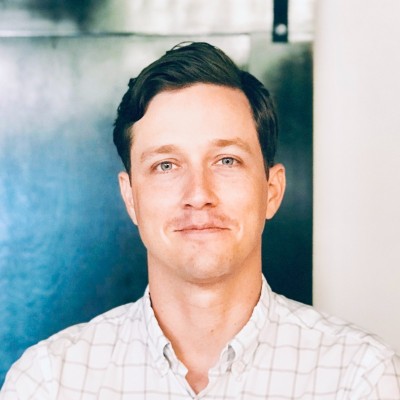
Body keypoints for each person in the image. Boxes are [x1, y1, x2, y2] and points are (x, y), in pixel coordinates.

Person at [1, 41, 399, 399]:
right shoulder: (50, 382)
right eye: (166, 165)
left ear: (272, 190)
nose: (198, 194)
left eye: (226, 160)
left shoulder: (359, 377)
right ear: (131, 198)